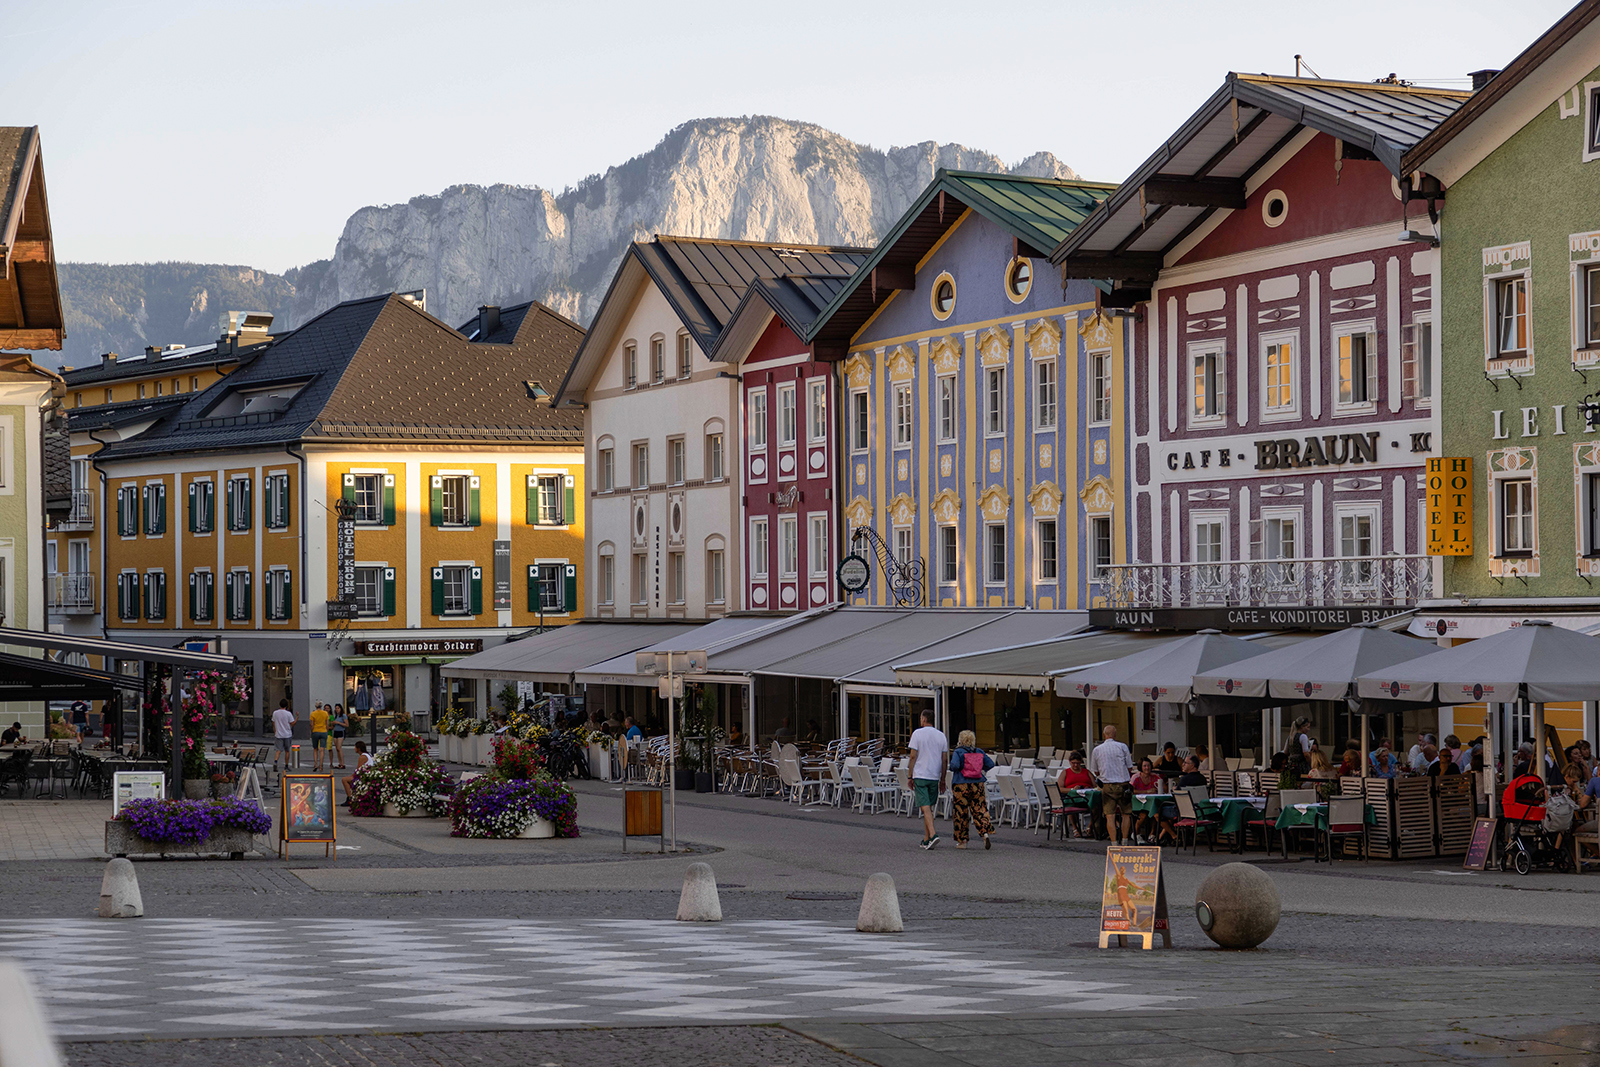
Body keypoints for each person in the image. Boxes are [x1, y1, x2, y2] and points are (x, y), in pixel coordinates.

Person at [946, 729, 995, 849]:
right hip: (977, 784)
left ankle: (963, 841)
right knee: (980, 809)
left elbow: (955, 765)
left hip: (961, 785)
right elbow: (990, 764)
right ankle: (985, 833)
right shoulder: (979, 751)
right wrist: (978, 767)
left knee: (961, 812)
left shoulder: (958, 752)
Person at [907, 710, 949, 851]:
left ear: (924, 719)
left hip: (920, 774)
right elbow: (944, 760)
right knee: (928, 808)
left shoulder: (917, 734)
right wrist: (942, 779)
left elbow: (913, 756)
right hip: (934, 775)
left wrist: (909, 775)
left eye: (920, 718)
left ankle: (933, 834)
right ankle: (926, 839)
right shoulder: (941, 736)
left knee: (925, 807)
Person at [1089, 724, 1135, 846]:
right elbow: (1130, 767)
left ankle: (1114, 843)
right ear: (1114, 735)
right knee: (1126, 814)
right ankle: (1125, 841)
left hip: (1108, 785)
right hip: (1123, 784)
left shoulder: (1097, 750)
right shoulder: (1122, 746)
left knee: (1110, 816)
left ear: (1104, 735)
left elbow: (1096, 771)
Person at [1130, 757, 1161, 844]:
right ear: (1141, 767)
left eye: (1148, 766)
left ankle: (1152, 834)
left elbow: (1164, 788)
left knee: (1155, 811)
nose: (1147, 768)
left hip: (1150, 802)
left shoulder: (1155, 776)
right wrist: (1146, 791)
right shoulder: (1136, 777)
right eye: (1144, 766)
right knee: (1143, 815)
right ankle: (1135, 833)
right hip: (1138, 802)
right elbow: (1131, 790)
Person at [270, 699, 296, 779]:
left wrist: (275, 731)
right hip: (287, 734)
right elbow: (292, 723)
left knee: (278, 750)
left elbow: (273, 723)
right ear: (286, 705)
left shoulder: (275, 713)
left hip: (279, 734)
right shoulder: (288, 714)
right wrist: (297, 718)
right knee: (287, 750)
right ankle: (286, 765)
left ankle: (275, 762)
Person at [309, 701, 330, 771]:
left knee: (315, 749)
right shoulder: (325, 713)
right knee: (322, 749)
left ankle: (315, 764)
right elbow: (327, 723)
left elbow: (311, 724)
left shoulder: (313, 714)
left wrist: (312, 731)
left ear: (315, 706)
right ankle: (321, 766)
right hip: (323, 731)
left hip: (315, 731)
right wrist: (326, 730)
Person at [330, 704, 348, 769]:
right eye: (336, 708)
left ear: (340, 709)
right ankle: (339, 763)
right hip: (336, 731)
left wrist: (338, 723)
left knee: (339, 748)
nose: (337, 709)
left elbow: (346, 724)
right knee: (337, 748)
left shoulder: (343, 716)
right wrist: (333, 723)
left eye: (338, 708)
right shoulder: (336, 716)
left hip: (341, 731)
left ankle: (342, 763)